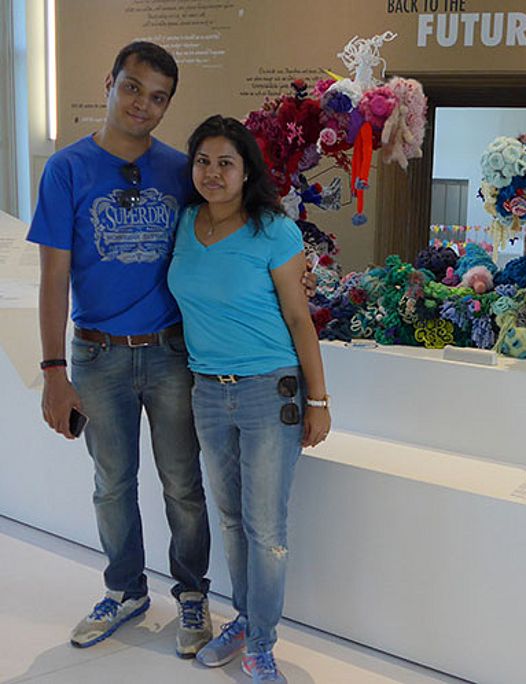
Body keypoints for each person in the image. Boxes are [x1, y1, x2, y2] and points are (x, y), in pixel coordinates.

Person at [27, 42, 317, 658]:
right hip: (97, 354)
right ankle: (126, 589)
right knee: (111, 483)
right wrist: (53, 370)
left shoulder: (177, 172)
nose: (142, 105)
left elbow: (231, 231)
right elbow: (53, 276)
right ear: (109, 83)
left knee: (184, 485)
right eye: (132, 88)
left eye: (158, 97)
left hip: (172, 355)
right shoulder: (67, 170)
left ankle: (192, 593)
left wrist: (293, 271)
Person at [167, 115, 331, 684]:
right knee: (232, 519)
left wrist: (319, 399)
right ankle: (243, 617)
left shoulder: (274, 231)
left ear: (246, 172)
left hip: (271, 392)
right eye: (203, 161)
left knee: (267, 528)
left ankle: (262, 643)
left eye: (226, 163)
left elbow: (298, 318)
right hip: (207, 393)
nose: (213, 173)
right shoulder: (186, 222)